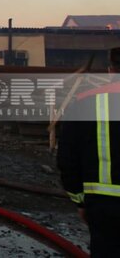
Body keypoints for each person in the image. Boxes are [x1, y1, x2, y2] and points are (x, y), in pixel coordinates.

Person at [57, 47, 120, 257]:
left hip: (103, 206)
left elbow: (67, 158)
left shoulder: (84, 102)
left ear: (110, 70)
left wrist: (79, 201)